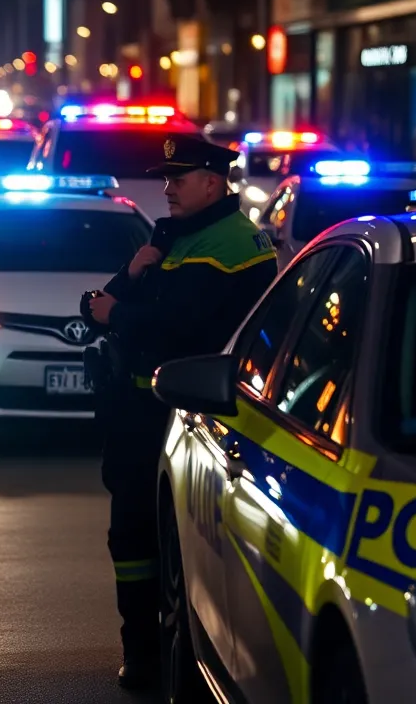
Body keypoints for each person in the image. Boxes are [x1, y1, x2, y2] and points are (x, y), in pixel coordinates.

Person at [85, 136, 278, 689]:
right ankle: (143, 651)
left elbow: (182, 328)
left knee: (160, 538)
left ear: (213, 183)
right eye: (166, 178)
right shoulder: (177, 236)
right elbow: (110, 304)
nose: (167, 188)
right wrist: (132, 279)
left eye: (179, 178)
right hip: (143, 412)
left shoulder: (232, 245)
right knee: (133, 539)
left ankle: (159, 657)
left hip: (182, 414)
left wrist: (120, 309)